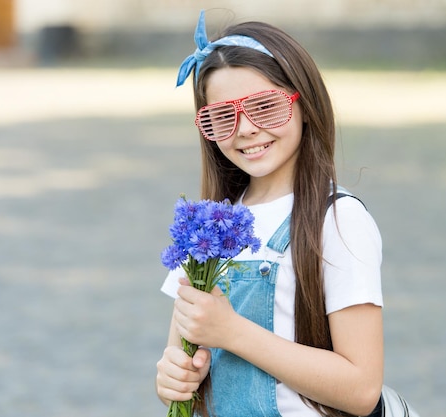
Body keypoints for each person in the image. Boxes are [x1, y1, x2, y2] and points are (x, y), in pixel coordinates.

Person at [156, 10, 384, 417]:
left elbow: (362, 388)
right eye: (222, 116)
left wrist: (234, 333)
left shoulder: (338, 220)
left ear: (304, 103)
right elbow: (180, 356)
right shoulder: (206, 228)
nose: (245, 128)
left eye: (264, 106)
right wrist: (173, 377)